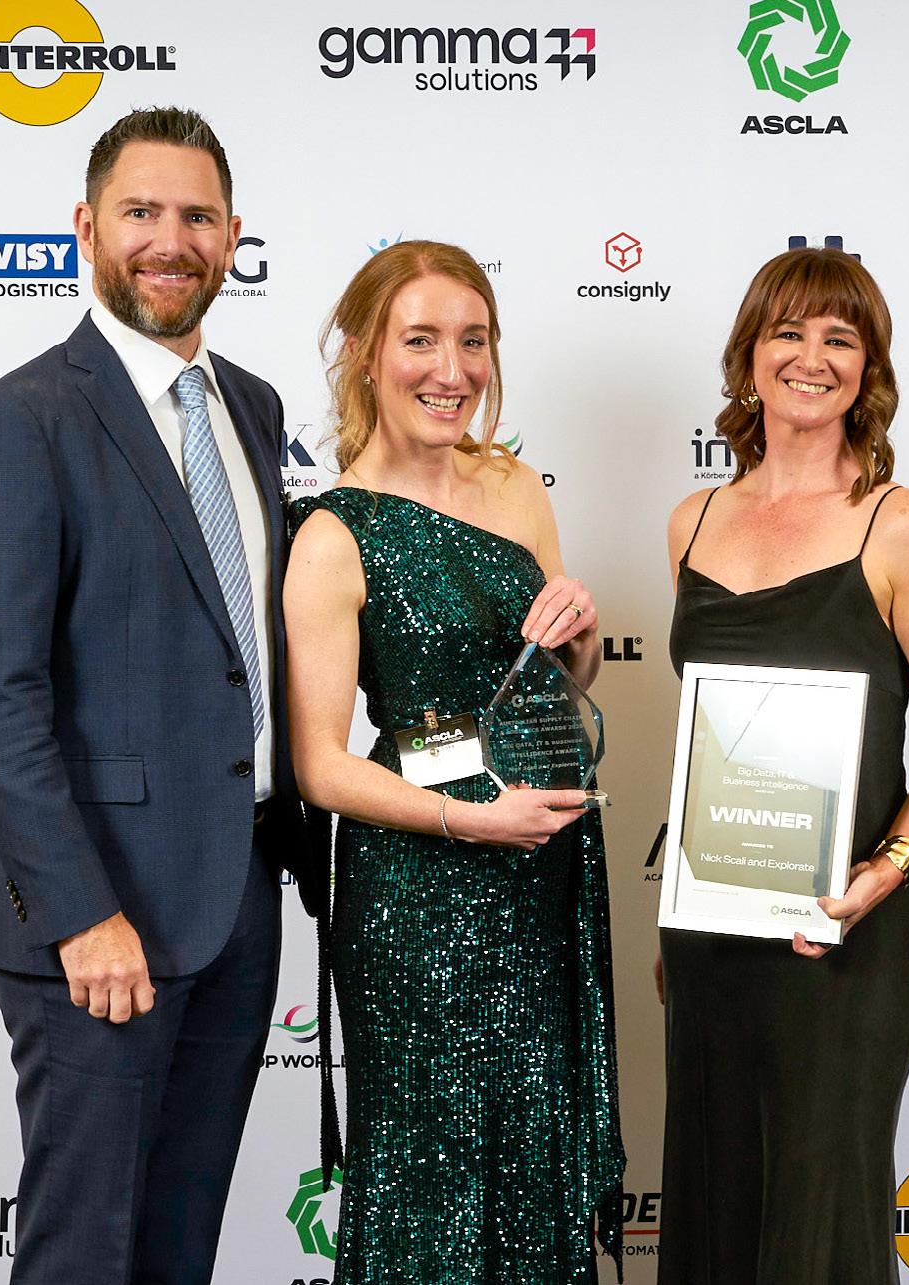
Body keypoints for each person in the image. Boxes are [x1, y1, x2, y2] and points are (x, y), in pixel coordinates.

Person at [0, 107, 318, 1285]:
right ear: (86, 227)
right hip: (100, 915)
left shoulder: (252, 407)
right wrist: (80, 912)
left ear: (233, 237)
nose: (169, 239)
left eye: (196, 216)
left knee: (175, 1250)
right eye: (140, 211)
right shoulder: (20, 420)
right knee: (84, 1256)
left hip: (236, 896)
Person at [283, 240, 624, 1282]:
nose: (452, 369)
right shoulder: (333, 533)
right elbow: (320, 767)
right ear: (365, 353)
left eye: (472, 341)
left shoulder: (514, 485)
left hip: (541, 869)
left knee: (532, 1149)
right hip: (418, 895)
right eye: (421, 340)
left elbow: (560, 678)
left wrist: (577, 635)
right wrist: (466, 819)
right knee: (429, 1168)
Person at [657, 246, 909, 1284]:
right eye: (788, 333)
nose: (812, 357)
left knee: (820, 1207)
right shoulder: (691, 521)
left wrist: (886, 870)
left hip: (843, 928)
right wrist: (682, 894)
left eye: (839, 339)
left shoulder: (902, 527)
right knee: (716, 1193)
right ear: (749, 356)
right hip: (712, 928)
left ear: (868, 369)